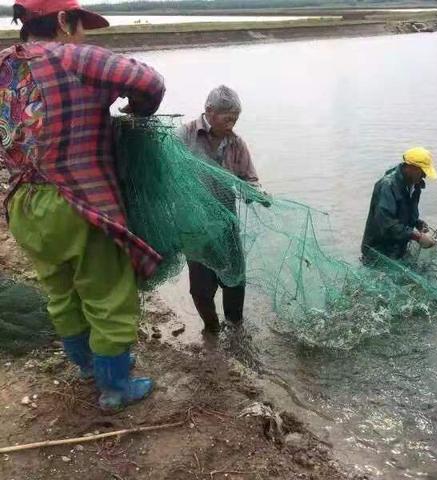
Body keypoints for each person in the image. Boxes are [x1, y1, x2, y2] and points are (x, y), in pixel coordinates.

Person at [1, 0, 165, 411]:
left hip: (22, 202)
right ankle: (114, 386)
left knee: (60, 289)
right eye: (80, 25)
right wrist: (136, 110)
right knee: (108, 293)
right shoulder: (72, 55)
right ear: (62, 20)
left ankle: (86, 365)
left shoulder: (4, 63)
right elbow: (150, 82)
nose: (84, 35)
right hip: (77, 201)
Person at [177, 85, 264, 333]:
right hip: (196, 228)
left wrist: (256, 193)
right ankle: (211, 328)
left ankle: (235, 329)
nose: (233, 123)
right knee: (201, 287)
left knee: (235, 280)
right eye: (228, 118)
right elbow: (168, 173)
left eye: (236, 118)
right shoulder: (184, 136)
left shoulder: (237, 143)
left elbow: (249, 179)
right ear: (210, 112)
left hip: (227, 225)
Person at [361, 147, 437, 262]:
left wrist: (418, 223)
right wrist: (417, 237)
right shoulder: (387, 186)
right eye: (423, 172)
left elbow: (405, 214)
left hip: (398, 248)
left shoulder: (415, 185)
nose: (424, 176)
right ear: (411, 167)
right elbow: (387, 224)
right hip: (378, 251)